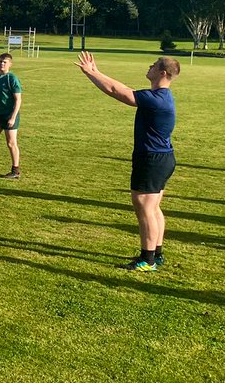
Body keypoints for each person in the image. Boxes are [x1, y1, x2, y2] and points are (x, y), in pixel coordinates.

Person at [77, 52, 180, 272]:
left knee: (145, 208)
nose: (149, 66)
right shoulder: (160, 96)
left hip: (152, 159)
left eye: (153, 65)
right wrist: (95, 72)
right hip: (161, 158)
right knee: (152, 207)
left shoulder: (156, 99)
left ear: (162, 73)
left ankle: (148, 259)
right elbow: (121, 87)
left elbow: (116, 90)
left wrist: (91, 73)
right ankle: (156, 254)